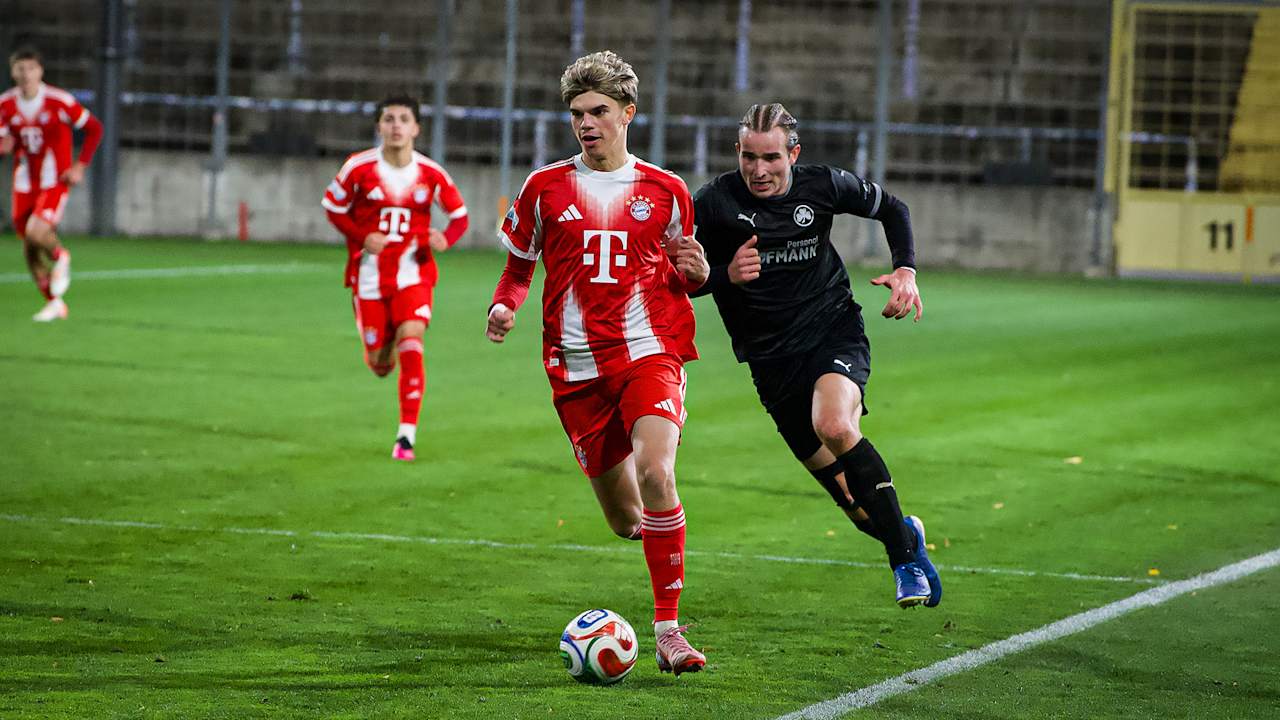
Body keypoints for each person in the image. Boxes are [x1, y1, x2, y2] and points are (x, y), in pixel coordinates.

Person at [486, 51, 711, 675]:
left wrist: (698, 276)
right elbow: (517, 265)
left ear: (627, 114)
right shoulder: (543, 188)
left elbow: (684, 271)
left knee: (658, 474)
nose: (586, 123)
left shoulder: (666, 191)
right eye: (578, 113)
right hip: (574, 369)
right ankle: (662, 542)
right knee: (625, 520)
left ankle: (668, 628)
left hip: (649, 352)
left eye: (599, 111)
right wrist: (504, 306)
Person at [690, 102, 942, 609]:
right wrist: (724, 276)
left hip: (832, 332)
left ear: (793, 154)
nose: (759, 170)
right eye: (748, 158)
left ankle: (903, 564)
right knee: (854, 505)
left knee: (833, 422)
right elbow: (671, 278)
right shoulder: (713, 204)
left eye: (771, 158)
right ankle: (904, 534)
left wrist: (906, 270)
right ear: (736, 154)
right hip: (770, 364)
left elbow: (894, 208)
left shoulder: (823, 185)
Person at [322, 95, 469, 461]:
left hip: (414, 273)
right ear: (379, 127)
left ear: (416, 128)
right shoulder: (359, 167)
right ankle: (379, 354)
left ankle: (405, 437)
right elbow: (333, 206)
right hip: (369, 276)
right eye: (389, 119)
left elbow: (460, 216)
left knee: (412, 339)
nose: (396, 125)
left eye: (404, 119)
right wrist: (361, 236)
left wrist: (444, 239)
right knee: (380, 364)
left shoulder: (431, 174)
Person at [0, 47, 103, 322]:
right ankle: (54, 303)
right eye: (20, 69)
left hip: (54, 180)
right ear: (13, 72)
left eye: (31, 69)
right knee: (29, 249)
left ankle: (62, 256)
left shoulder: (59, 101)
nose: (25, 75)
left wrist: (80, 166)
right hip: (23, 183)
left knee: (36, 232)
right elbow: (3, 141)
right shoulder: (5, 104)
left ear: (40, 71)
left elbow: (94, 128)